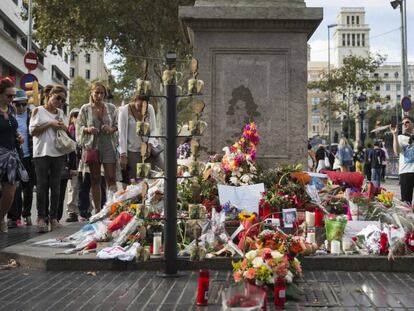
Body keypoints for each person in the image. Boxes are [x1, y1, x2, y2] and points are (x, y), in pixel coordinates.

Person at [29, 85, 68, 232]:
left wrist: (61, 125)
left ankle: (53, 219)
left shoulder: (61, 112)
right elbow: (32, 131)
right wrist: (50, 123)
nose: (60, 101)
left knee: (56, 187)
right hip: (41, 153)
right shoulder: (38, 110)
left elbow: (66, 130)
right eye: (58, 97)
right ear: (50, 95)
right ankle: (41, 218)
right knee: (42, 186)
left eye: (63, 100)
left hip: (58, 153)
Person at [76, 82, 118, 213]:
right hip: (92, 145)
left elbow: (117, 125)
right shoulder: (85, 108)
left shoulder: (111, 108)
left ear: (105, 94)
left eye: (101, 93)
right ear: (92, 93)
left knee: (111, 177)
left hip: (108, 144)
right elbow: (78, 126)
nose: (99, 95)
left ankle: (114, 207)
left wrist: (111, 129)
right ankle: (98, 210)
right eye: (96, 93)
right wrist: (88, 129)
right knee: (95, 178)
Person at [0, 78, 28, 233]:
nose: (12, 99)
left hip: (11, 156)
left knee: (10, 193)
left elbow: (11, 127)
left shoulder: (10, 110)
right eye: (9, 96)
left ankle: (0, 218)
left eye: (13, 96)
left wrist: (18, 135)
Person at [7, 90, 35, 228]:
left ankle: (27, 214)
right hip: (13, 157)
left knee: (28, 188)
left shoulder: (32, 116)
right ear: (13, 104)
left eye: (24, 104)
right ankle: (14, 217)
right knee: (13, 188)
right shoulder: (8, 117)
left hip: (28, 157)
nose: (21, 107)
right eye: (18, 104)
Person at [118, 94, 160, 183]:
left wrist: (149, 145)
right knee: (138, 181)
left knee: (158, 175)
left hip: (149, 149)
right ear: (135, 99)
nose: (142, 108)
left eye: (145, 106)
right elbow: (121, 134)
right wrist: (123, 155)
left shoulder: (150, 108)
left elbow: (153, 129)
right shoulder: (124, 110)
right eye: (140, 105)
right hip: (133, 150)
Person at [392, 117, 414, 204]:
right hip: (406, 172)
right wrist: (395, 135)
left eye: (407, 122)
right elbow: (396, 151)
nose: (404, 124)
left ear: (412, 124)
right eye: (403, 123)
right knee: (406, 201)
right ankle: (407, 217)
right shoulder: (400, 137)